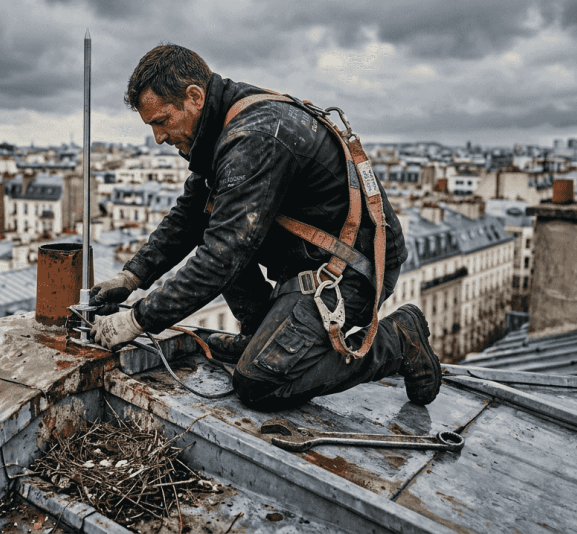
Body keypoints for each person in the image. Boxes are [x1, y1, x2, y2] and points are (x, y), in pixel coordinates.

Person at [90, 44, 441, 410]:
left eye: (161, 121)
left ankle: (397, 339)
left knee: (260, 383)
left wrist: (135, 320)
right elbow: (193, 213)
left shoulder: (252, 137)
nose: (159, 137)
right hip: (316, 260)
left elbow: (221, 257)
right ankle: (263, 337)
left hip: (351, 269)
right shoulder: (223, 128)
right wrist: (131, 277)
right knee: (221, 227)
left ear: (194, 97)